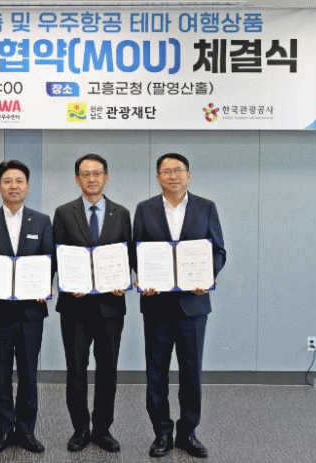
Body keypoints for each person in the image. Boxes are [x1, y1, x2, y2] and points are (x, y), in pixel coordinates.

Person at [133, 153, 226, 459]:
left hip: (193, 305)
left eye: (178, 170)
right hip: (157, 304)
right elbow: (137, 252)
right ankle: (162, 432)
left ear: (189, 175)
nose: (172, 176)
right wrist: (143, 277)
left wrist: (207, 275)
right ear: (157, 177)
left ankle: (188, 432)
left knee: (191, 372)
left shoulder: (206, 207)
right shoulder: (144, 209)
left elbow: (218, 251)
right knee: (156, 373)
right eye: (166, 171)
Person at [0, 160, 54, 455]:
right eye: (7, 181)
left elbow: (49, 260)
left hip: (32, 312)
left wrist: (45, 285)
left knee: (29, 374)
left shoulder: (42, 221)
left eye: (19, 180)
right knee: (1, 374)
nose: (13, 186)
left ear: (27, 186)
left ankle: (27, 430)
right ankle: (3, 430)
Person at [52, 153, 132, 453]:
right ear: (77, 179)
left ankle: (102, 429)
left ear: (106, 177)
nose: (92, 179)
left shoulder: (121, 214)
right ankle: (80, 429)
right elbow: (57, 256)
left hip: (111, 306)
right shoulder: (63, 213)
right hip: (75, 307)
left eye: (97, 173)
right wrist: (66, 283)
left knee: (108, 370)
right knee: (76, 369)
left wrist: (125, 279)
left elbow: (128, 255)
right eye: (85, 174)